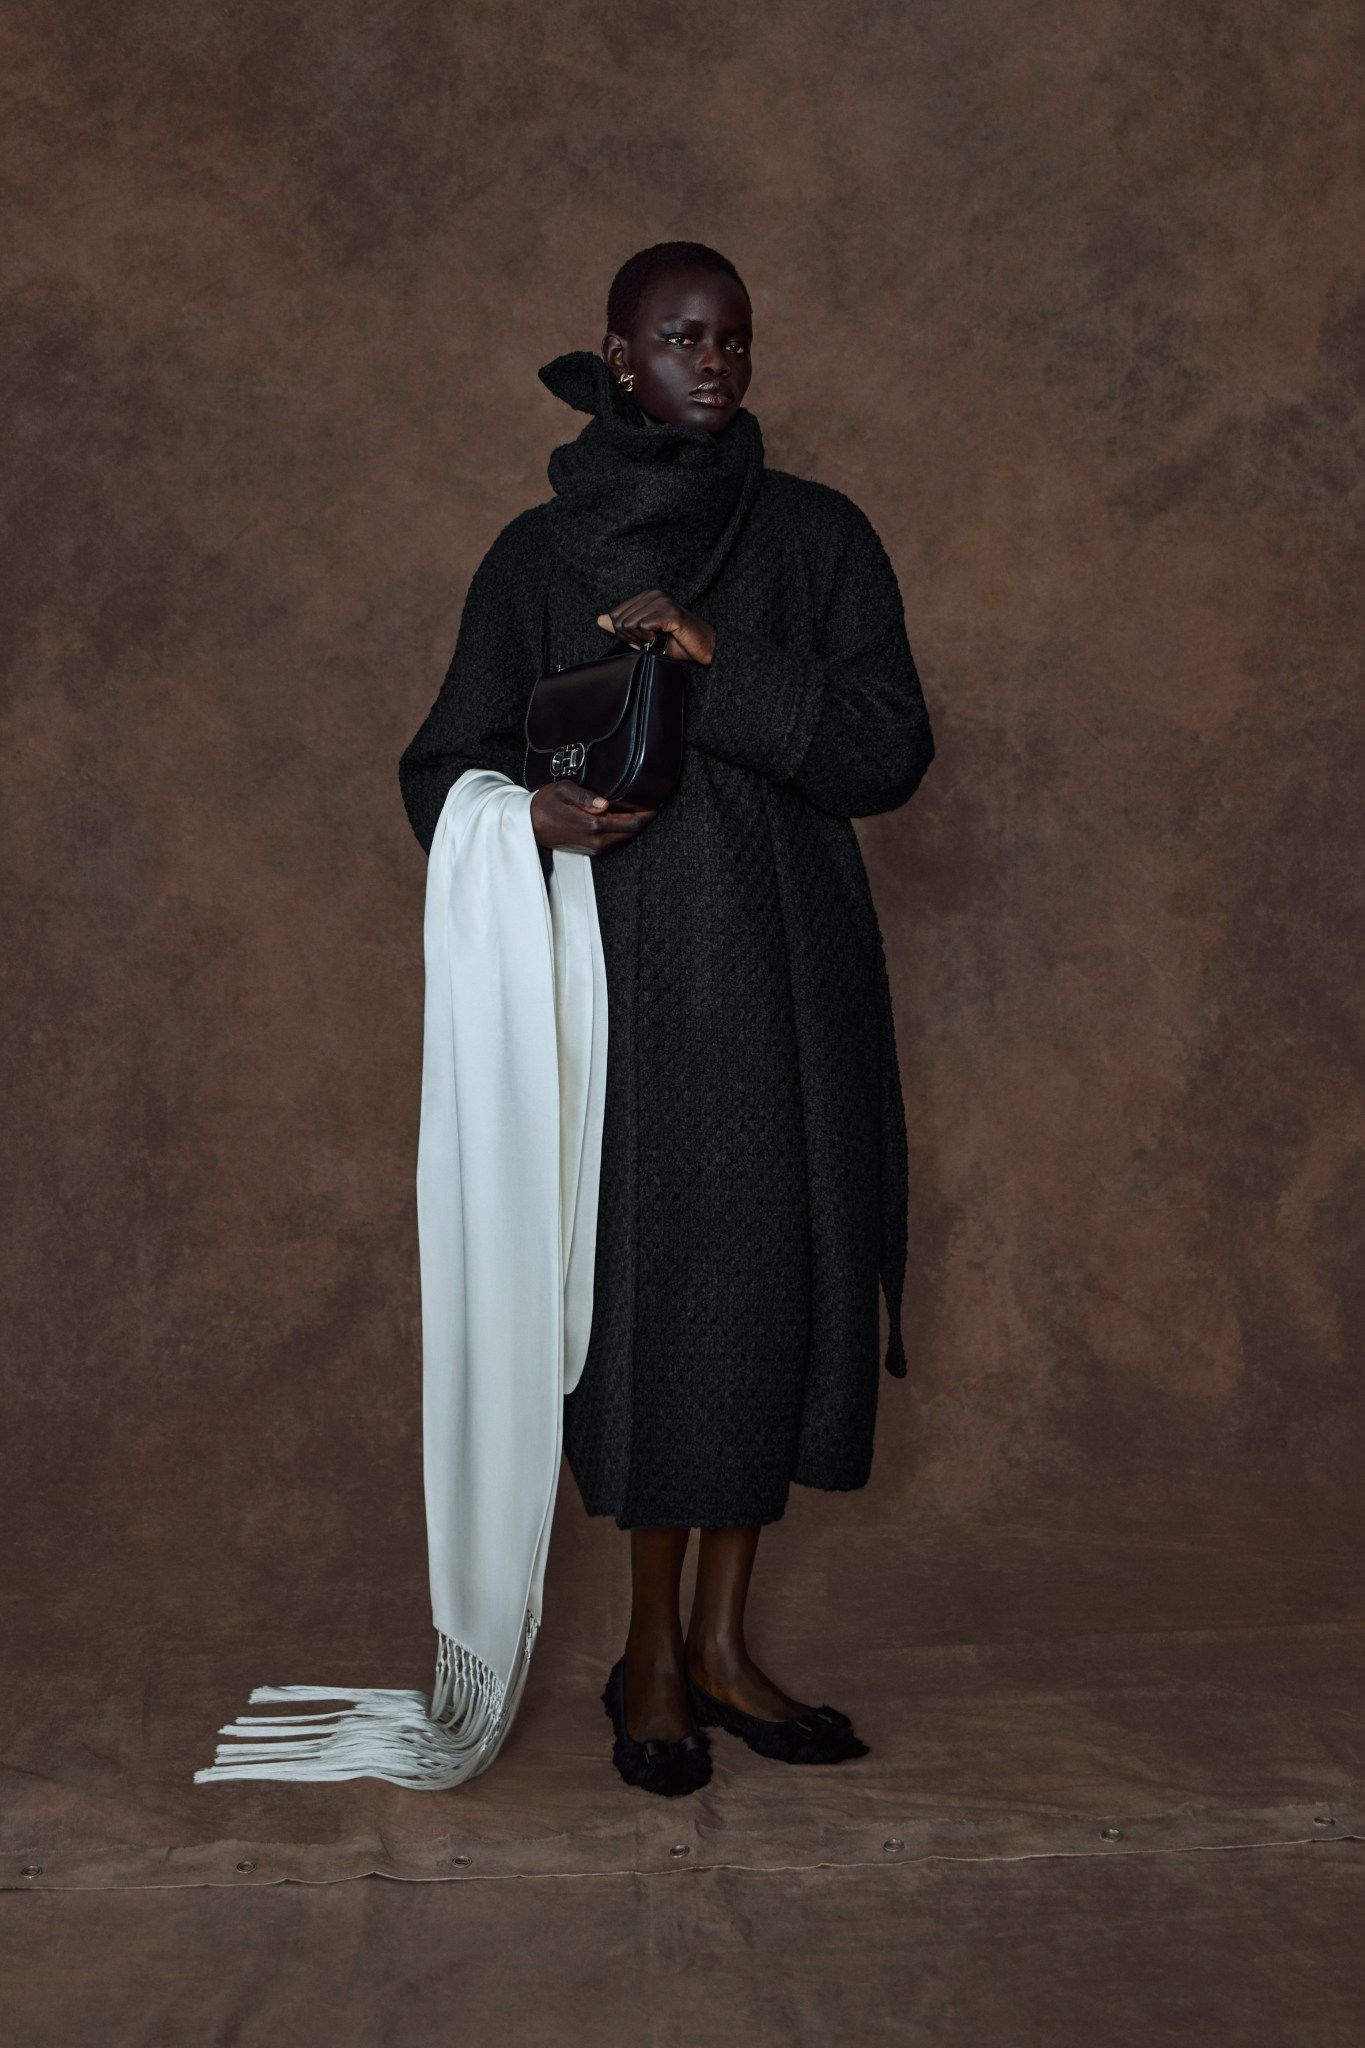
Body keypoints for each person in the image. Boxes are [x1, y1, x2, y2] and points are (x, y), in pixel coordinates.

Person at [398, 240, 935, 1797]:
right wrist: (527, 817)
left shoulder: (818, 535)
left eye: (736, 340)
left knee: (770, 1299)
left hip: (790, 985)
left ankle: (718, 1643)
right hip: (611, 996)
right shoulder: (536, 555)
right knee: (647, 1309)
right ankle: (644, 1654)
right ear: (620, 356)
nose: (718, 364)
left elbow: (887, 751)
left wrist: (718, 657)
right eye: (685, 338)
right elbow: (443, 762)